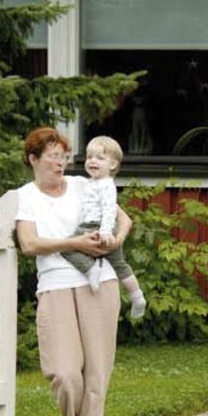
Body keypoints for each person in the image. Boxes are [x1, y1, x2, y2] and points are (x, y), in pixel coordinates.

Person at [15, 126, 133, 416]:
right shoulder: (27, 195)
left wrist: (114, 240)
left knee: (97, 370)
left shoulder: (85, 185)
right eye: (52, 156)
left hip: (100, 283)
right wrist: (74, 244)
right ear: (33, 160)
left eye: (63, 156)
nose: (60, 162)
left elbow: (124, 219)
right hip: (54, 285)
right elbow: (29, 244)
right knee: (63, 372)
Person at [59, 135, 147, 320]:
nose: (92, 161)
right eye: (90, 157)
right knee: (120, 265)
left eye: (100, 158)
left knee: (65, 246)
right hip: (101, 228)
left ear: (113, 165)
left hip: (96, 227)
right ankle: (137, 296)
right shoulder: (91, 183)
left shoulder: (106, 185)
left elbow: (109, 210)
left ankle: (90, 269)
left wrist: (106, 231)